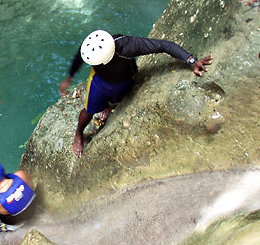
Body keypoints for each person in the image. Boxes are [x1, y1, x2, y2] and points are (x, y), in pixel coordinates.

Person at [58, 30, 214, 157]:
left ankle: (108, 105)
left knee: (118, 95)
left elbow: (162, 45)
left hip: (126, 77)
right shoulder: (92, 47)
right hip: (101, 81)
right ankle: (79, 134)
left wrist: (191, 61)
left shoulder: (127, 45)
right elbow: (80, 56)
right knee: (90, 110)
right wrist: (69, 78)